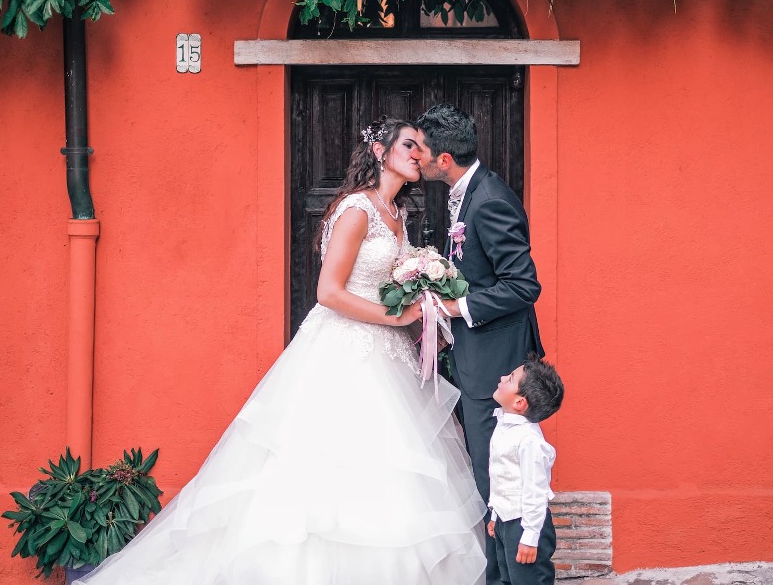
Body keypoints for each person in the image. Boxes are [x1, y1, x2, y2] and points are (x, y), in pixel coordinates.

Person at [75, 116, 487, 585]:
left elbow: (382, 283)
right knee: (326, 468)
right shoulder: (357, 210)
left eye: (423, 148)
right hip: (345, 354)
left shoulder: (398, 214)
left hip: (387, 352)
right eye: (410, 145)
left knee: (389, 475)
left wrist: (417, 295)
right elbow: (329, 293)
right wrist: (400, 316)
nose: (419, 154)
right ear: (380, 152)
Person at [415, 103, 545, 584]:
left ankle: (514, 576)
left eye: (423, 151)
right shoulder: (464, 193)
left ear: (444, 158)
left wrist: (455, 308)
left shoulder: (490, 200)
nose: (418, 159)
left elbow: (523, 285)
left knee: (502, 477)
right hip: (477, 356)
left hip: (497, 363)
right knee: (491, 475)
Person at [486, 355, 564, 585]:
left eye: (509, 379)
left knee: (530, 580)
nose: (502, 378)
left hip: (525, 525)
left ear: (519, 402)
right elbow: (501, 476)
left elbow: (535, 491)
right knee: (507, 579)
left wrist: (530, 537)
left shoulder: (529, 441)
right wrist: (495, 515)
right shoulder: (504, 425)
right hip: (505, 520)